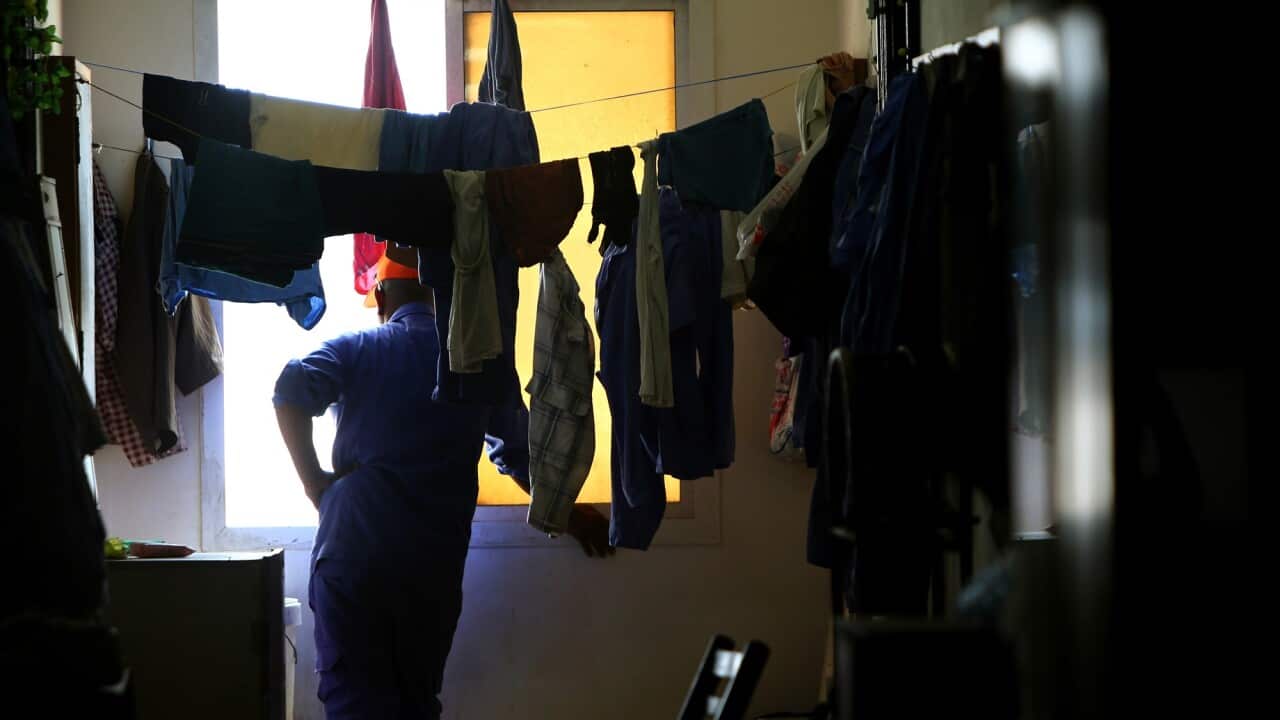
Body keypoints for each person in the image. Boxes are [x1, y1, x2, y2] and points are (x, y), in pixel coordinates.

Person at [273, 255, 613, 719]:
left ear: (381, 297)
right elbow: (520, 454)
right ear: (439, 295)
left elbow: (289, 389)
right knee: (415, 702)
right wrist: (571, 516)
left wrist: (317, 486)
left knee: (355, 703)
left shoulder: (355, 349)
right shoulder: (474, 365)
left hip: (354, 557)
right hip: (428, 567)